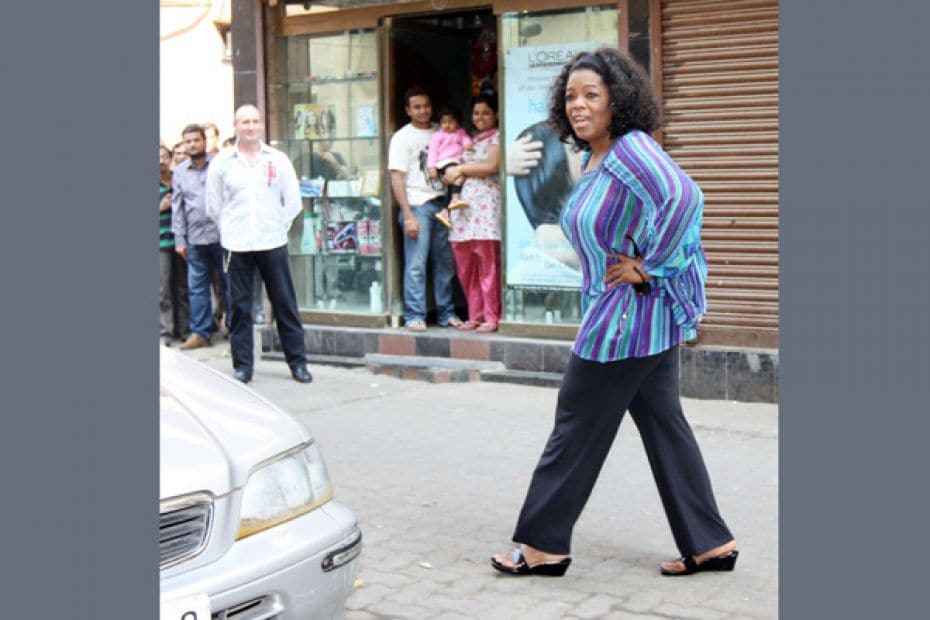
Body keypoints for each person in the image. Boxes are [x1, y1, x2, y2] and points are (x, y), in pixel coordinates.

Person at [490, 48, 737, 578]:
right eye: (571, 96)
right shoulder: (599, 156)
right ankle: (710, 542)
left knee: (575, 421)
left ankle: (542, 545)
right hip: (645, 319)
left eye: (591, 95)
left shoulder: (631, 149)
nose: (578, 105)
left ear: (616, 102)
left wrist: (651, 267)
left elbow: (684, 198)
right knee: (665, 425)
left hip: (625, 321)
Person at [206, 104, 312, 385]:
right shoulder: (222, 163)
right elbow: (213, 206)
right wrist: (230, 229)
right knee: (240, 308)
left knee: (285, 303)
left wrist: (278, 226)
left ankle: (298, 364)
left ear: (261, 125)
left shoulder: (277, 160)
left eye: (255, 121)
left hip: (272, 241)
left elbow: (293, 203)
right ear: (236, 126)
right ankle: (242, 366)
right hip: (237, 244)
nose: (250, 127)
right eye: (244, 122)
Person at [387, 86, 462, 332]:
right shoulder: (402, 137)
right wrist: (407, 215)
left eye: (426, 106)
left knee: (445, 262)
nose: (423, 111)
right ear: (408, 110)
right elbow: (396, 178)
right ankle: (414, 315)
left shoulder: (442, 131)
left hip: (441, 202)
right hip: (417, 205)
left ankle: (446, 312)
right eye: (417, 107)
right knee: (417, 263)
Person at [442, 94, 501, 333]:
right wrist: (452, 172)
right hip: (464, 209)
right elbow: (448, 173)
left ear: (495, 114)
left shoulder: (497, 138)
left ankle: (492, 316)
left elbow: (490, 167)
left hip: (486, 207)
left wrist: (461, 169)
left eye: (486, 113)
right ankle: (475, 313)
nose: (480, 118)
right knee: (466, 264)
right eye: (476, 113)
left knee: (487, 264)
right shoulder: (468, 140)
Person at [171, 124, 230, 350]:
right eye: (188, 141)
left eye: (196, 140)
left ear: (205, 141)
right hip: (195, 239)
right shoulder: (180, 172)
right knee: (197, 287)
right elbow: (178, 208)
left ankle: (235, 329)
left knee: (229, 284)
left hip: (222, 236)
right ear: (184, 145)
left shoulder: (219, 164)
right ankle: (201, 333)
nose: (192, 144)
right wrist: (180, 239)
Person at [159, 145, 189, 346]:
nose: (160, 160)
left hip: (182, 240)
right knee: (163, 291)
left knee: (184, 288)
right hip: (161, 243)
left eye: (163, 156)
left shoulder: (178, 177)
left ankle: (185, 330)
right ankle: (165, 332)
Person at [427, 106, 472, 229]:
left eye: (450, 122)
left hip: (457, 162)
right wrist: (432, 167)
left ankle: (444, 211)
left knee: (456, 181)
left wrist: (468, 144)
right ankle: (455, 199)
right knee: (458, 177)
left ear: (457, 122)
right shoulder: (437, 136)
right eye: (443, 122)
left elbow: (465, 139)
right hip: (444, 162)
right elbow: (432, 152)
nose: (447, 125)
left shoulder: (460, 132)